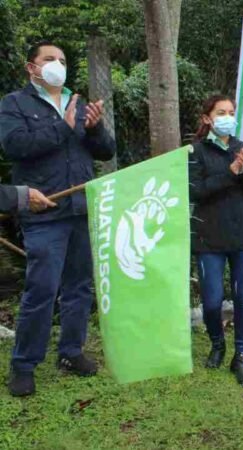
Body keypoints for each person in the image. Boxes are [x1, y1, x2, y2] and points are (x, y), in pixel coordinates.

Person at [0, 41, 115, 397]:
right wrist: (63, 128)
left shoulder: (76, 104)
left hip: (81, 208)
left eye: (62, 60)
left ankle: (71, 352)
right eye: (49, 59)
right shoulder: (13, 104)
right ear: (31, 67)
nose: (57, 65)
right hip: (44, 210)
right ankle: (24, 365)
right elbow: (14, 146)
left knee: (79, 287)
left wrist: (94, 129)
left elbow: (106, 151)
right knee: (42, 289)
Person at [189, 94, 243, 386]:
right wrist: (229, 174)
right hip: (209, 237)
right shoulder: (195, 152)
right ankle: (217, 344)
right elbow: (195, 191)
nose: (227, 117)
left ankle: (241, 355)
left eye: (230, 112)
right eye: (220, 112)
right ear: (207, 118)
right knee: (211, 301)